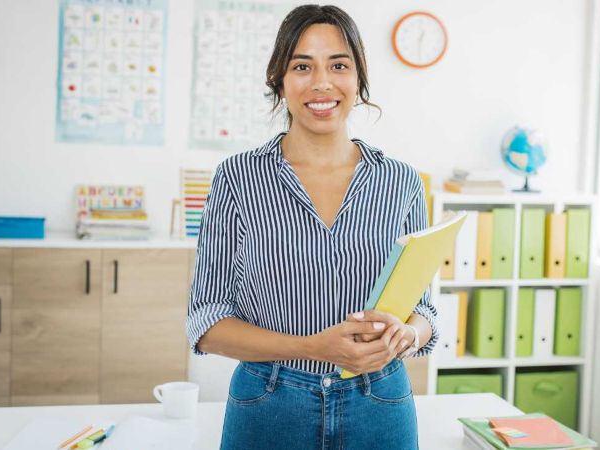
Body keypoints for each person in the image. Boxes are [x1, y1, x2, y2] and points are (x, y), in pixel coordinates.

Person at [186, 5, 439, 449]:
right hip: (269, 403)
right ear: (279, 82)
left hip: (380, 401)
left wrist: (408, 335)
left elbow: (425, 312)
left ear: (358, 78)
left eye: (338, 65)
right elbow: (206, 323)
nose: (321, 82)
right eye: (302, 66)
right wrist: (314, 348)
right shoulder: (238, 178)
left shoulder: (401, 182)